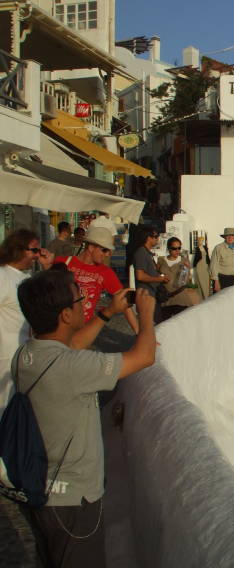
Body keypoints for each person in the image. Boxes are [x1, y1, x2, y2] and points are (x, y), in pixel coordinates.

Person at [15, 270, 156, 567]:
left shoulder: (27, 355)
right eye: (80, 300)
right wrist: (145, 314)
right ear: (66, 314)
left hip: (42, 492)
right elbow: (143, 356)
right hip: (74, 503)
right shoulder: (73, 368)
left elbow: (70, 345)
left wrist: (106, 313)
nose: (85, 304)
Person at [0, 229, 54, 408]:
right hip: (5, 357)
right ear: (18, 249)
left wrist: (47, 269)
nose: (38, 255)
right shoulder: (3, 276)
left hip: (22, 355)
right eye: (34, 250)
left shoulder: (25, 278)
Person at [54, 226, 139, 334]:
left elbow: (123, 301)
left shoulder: (105, 272)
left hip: (81, 332)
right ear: (91, 247)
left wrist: (138, 331)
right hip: (56, 329)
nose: (108, 254)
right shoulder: (63, 262)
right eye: (104, 250)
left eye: (109, 251)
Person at [156, 237, 201, 317]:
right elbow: (157, 276)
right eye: (174, 248)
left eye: (179, 248)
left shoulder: (184, 261)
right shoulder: (161, 260)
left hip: (181, 298)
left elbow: (184, 281)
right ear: (169, 248)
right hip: (166, 299)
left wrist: (186, 269)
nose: (177, 251)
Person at [133, 228, 169, 323]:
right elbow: (140, 276)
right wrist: (159, 279)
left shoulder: (148, 253)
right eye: (156, 237)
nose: (157, 239)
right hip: (146, 295)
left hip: (152, 294)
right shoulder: (141, 252)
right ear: (148, 238)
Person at [193, 233, 211, 299]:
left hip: (205, 265)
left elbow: (207, 256)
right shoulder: (197, 248)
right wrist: (195, 265)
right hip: (199, 265)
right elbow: (196, 258)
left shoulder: (205, 247)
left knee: (206, 281)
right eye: (200, 240)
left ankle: (207, 296)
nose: (201, 242)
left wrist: (209, 264)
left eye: (201, 240)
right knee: (200, 281)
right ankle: (202, 296)